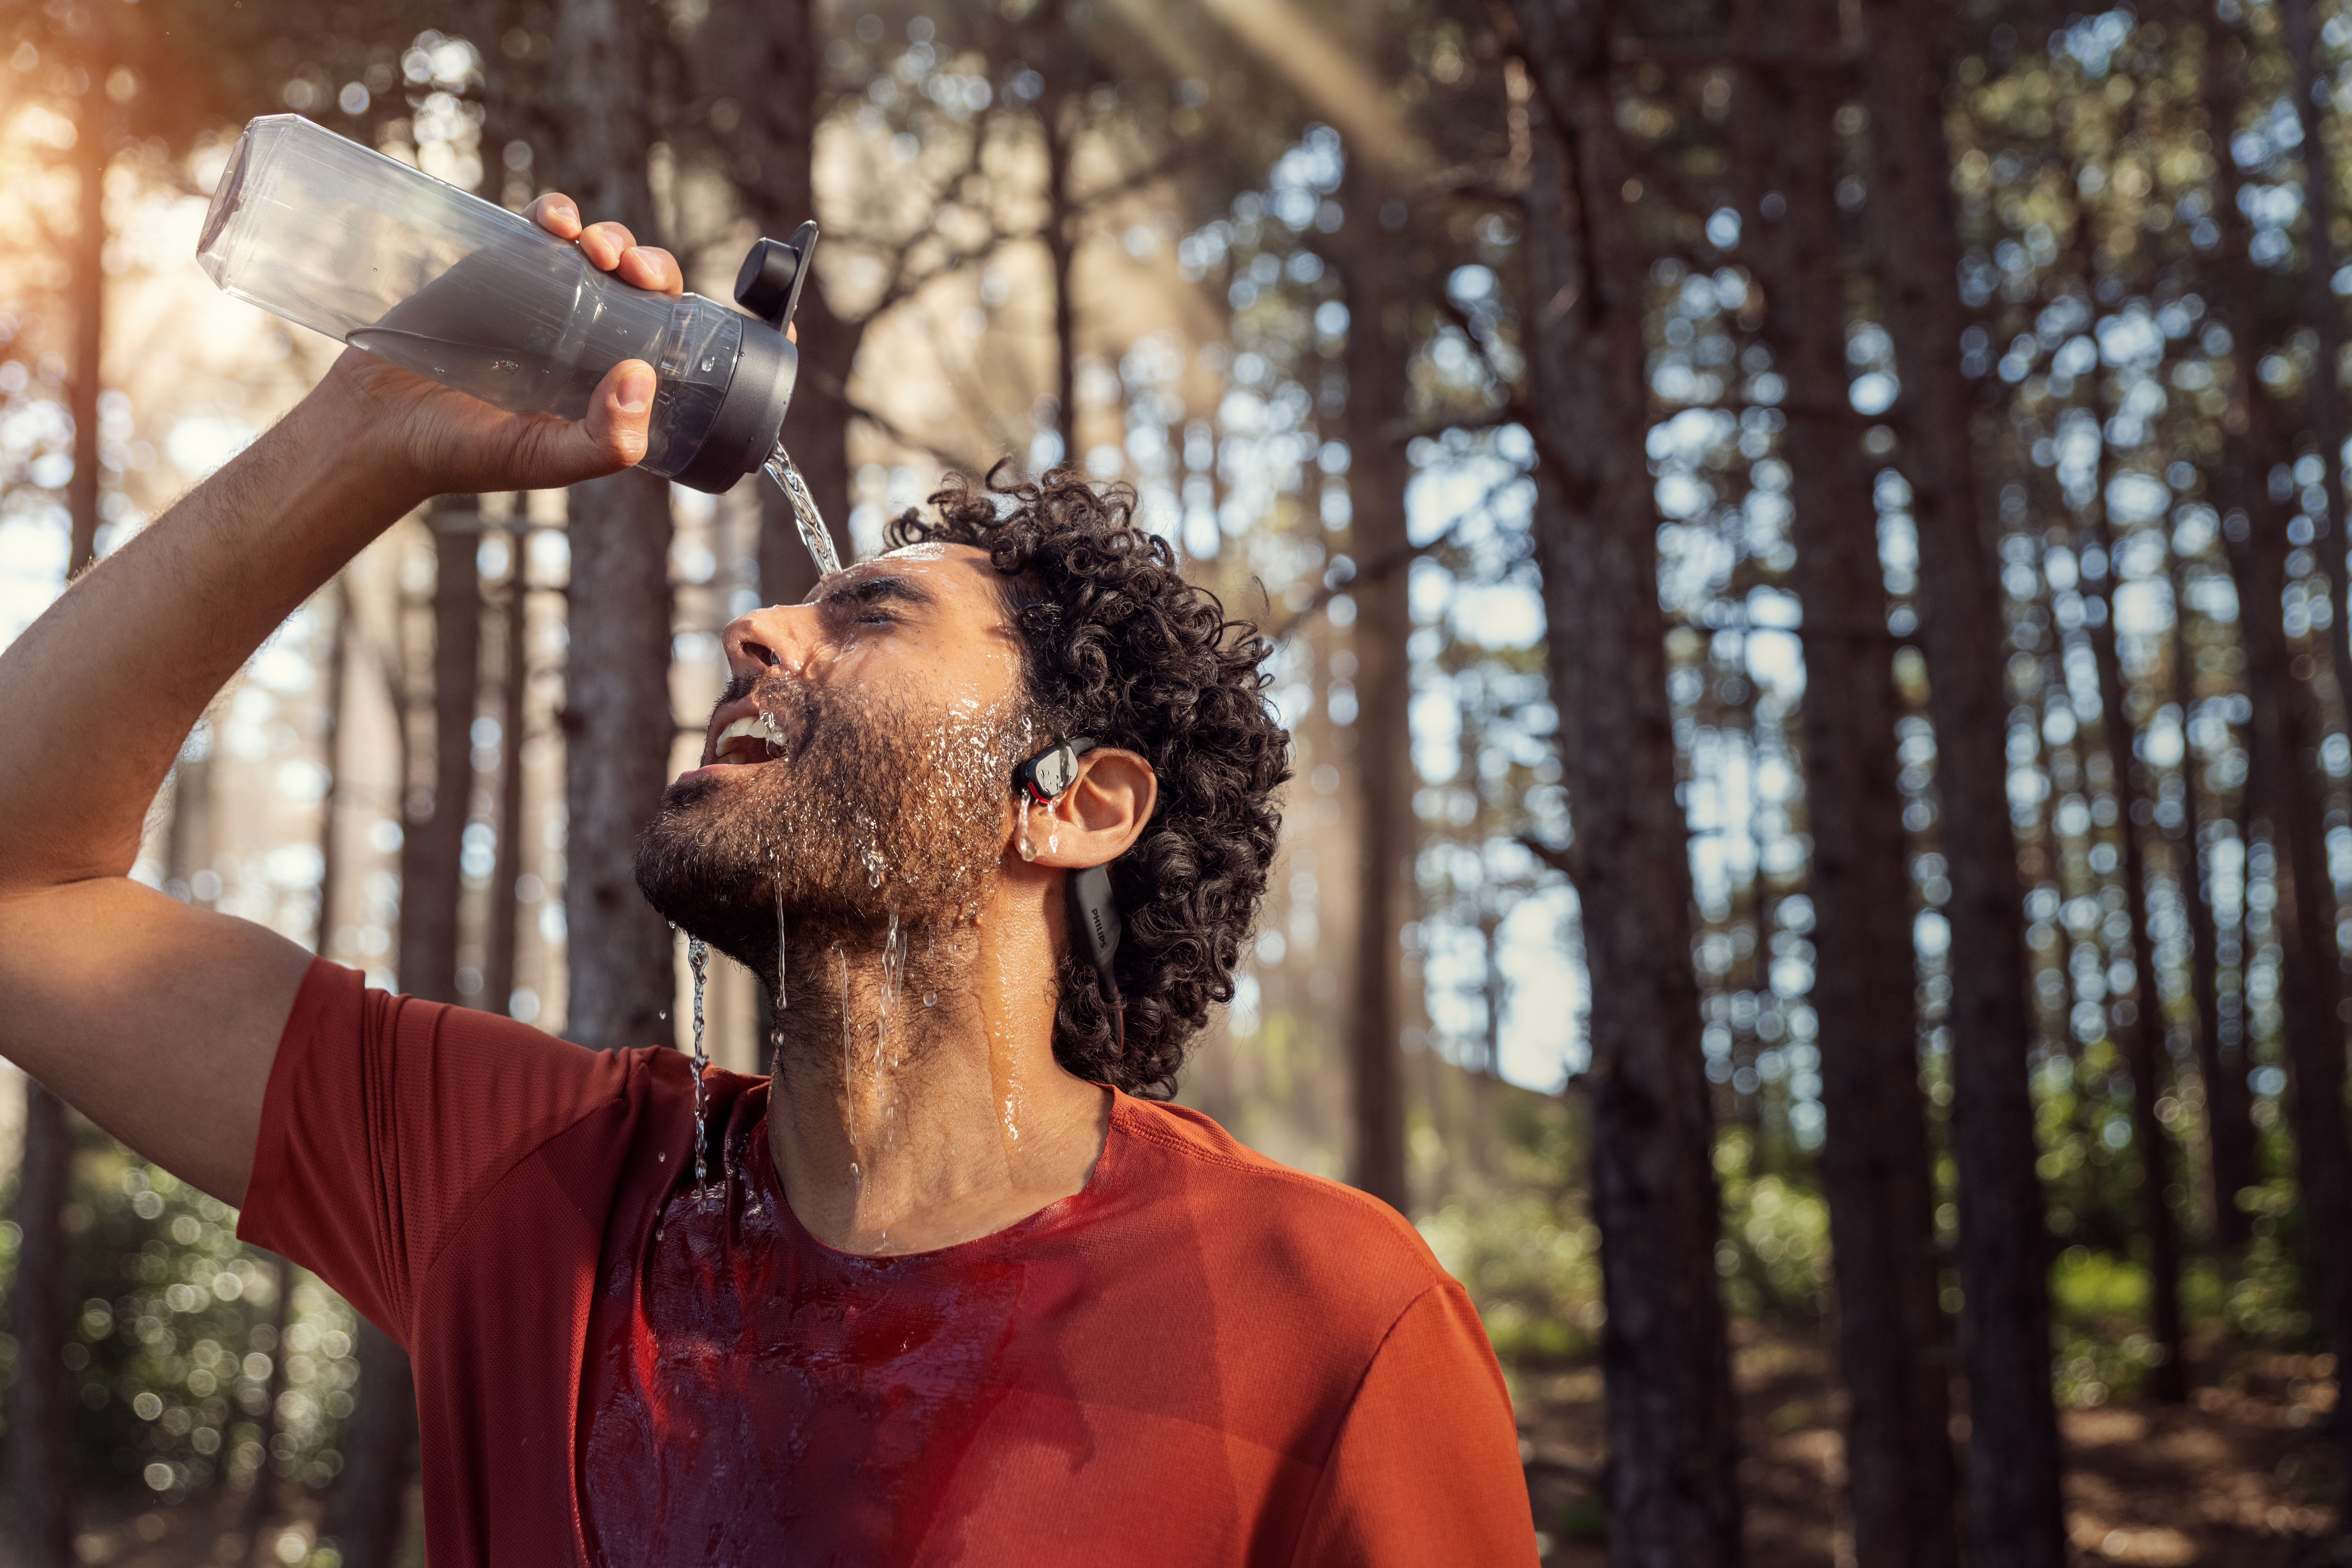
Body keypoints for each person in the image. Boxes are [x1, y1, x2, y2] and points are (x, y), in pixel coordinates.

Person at [0, 192, 1536, 1566]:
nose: (759, 631)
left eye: (868, 614)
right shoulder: (531, 1188)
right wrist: (362, 437)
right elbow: (21, 890)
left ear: (1073, 802)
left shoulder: (1327, 1315)